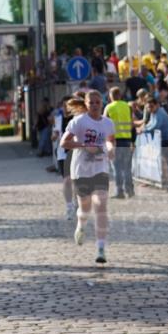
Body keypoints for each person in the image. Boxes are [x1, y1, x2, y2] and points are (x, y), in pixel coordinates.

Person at [60, 89, 116, 264]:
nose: (94, 106)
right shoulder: (79, 122)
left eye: (97, 102)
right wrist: (84, 145)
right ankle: (81, 224)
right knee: (85, 207)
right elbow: (64, 143)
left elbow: (110, 139)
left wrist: (110, 147)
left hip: (100, 169)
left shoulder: (108, 123)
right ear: (85, 104)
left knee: (101, 206)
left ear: (102, 103)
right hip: (81, 170)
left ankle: (101, 248)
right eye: (90, 103)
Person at [136, 97, 168, 188]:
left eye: (151, 107)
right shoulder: (154, 113)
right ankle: (164, 179)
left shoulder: (160, 113)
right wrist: (143, 128)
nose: (149, 109)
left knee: (167, 160)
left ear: (157, 105)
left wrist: (143, 130)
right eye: (147, 107)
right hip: (163, 139)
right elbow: (150, 124)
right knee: (162, 159)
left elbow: (156, 126)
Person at [104, 86, 134, 198]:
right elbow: (131, 123)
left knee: (117, 168)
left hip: (114, 141)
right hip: (127, 140)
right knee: (127, 167)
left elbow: (104, 124)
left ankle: (119, 192)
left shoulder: (109, 107)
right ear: (120, 95)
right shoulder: (127, 106)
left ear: (111, 96)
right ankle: (130, 191)